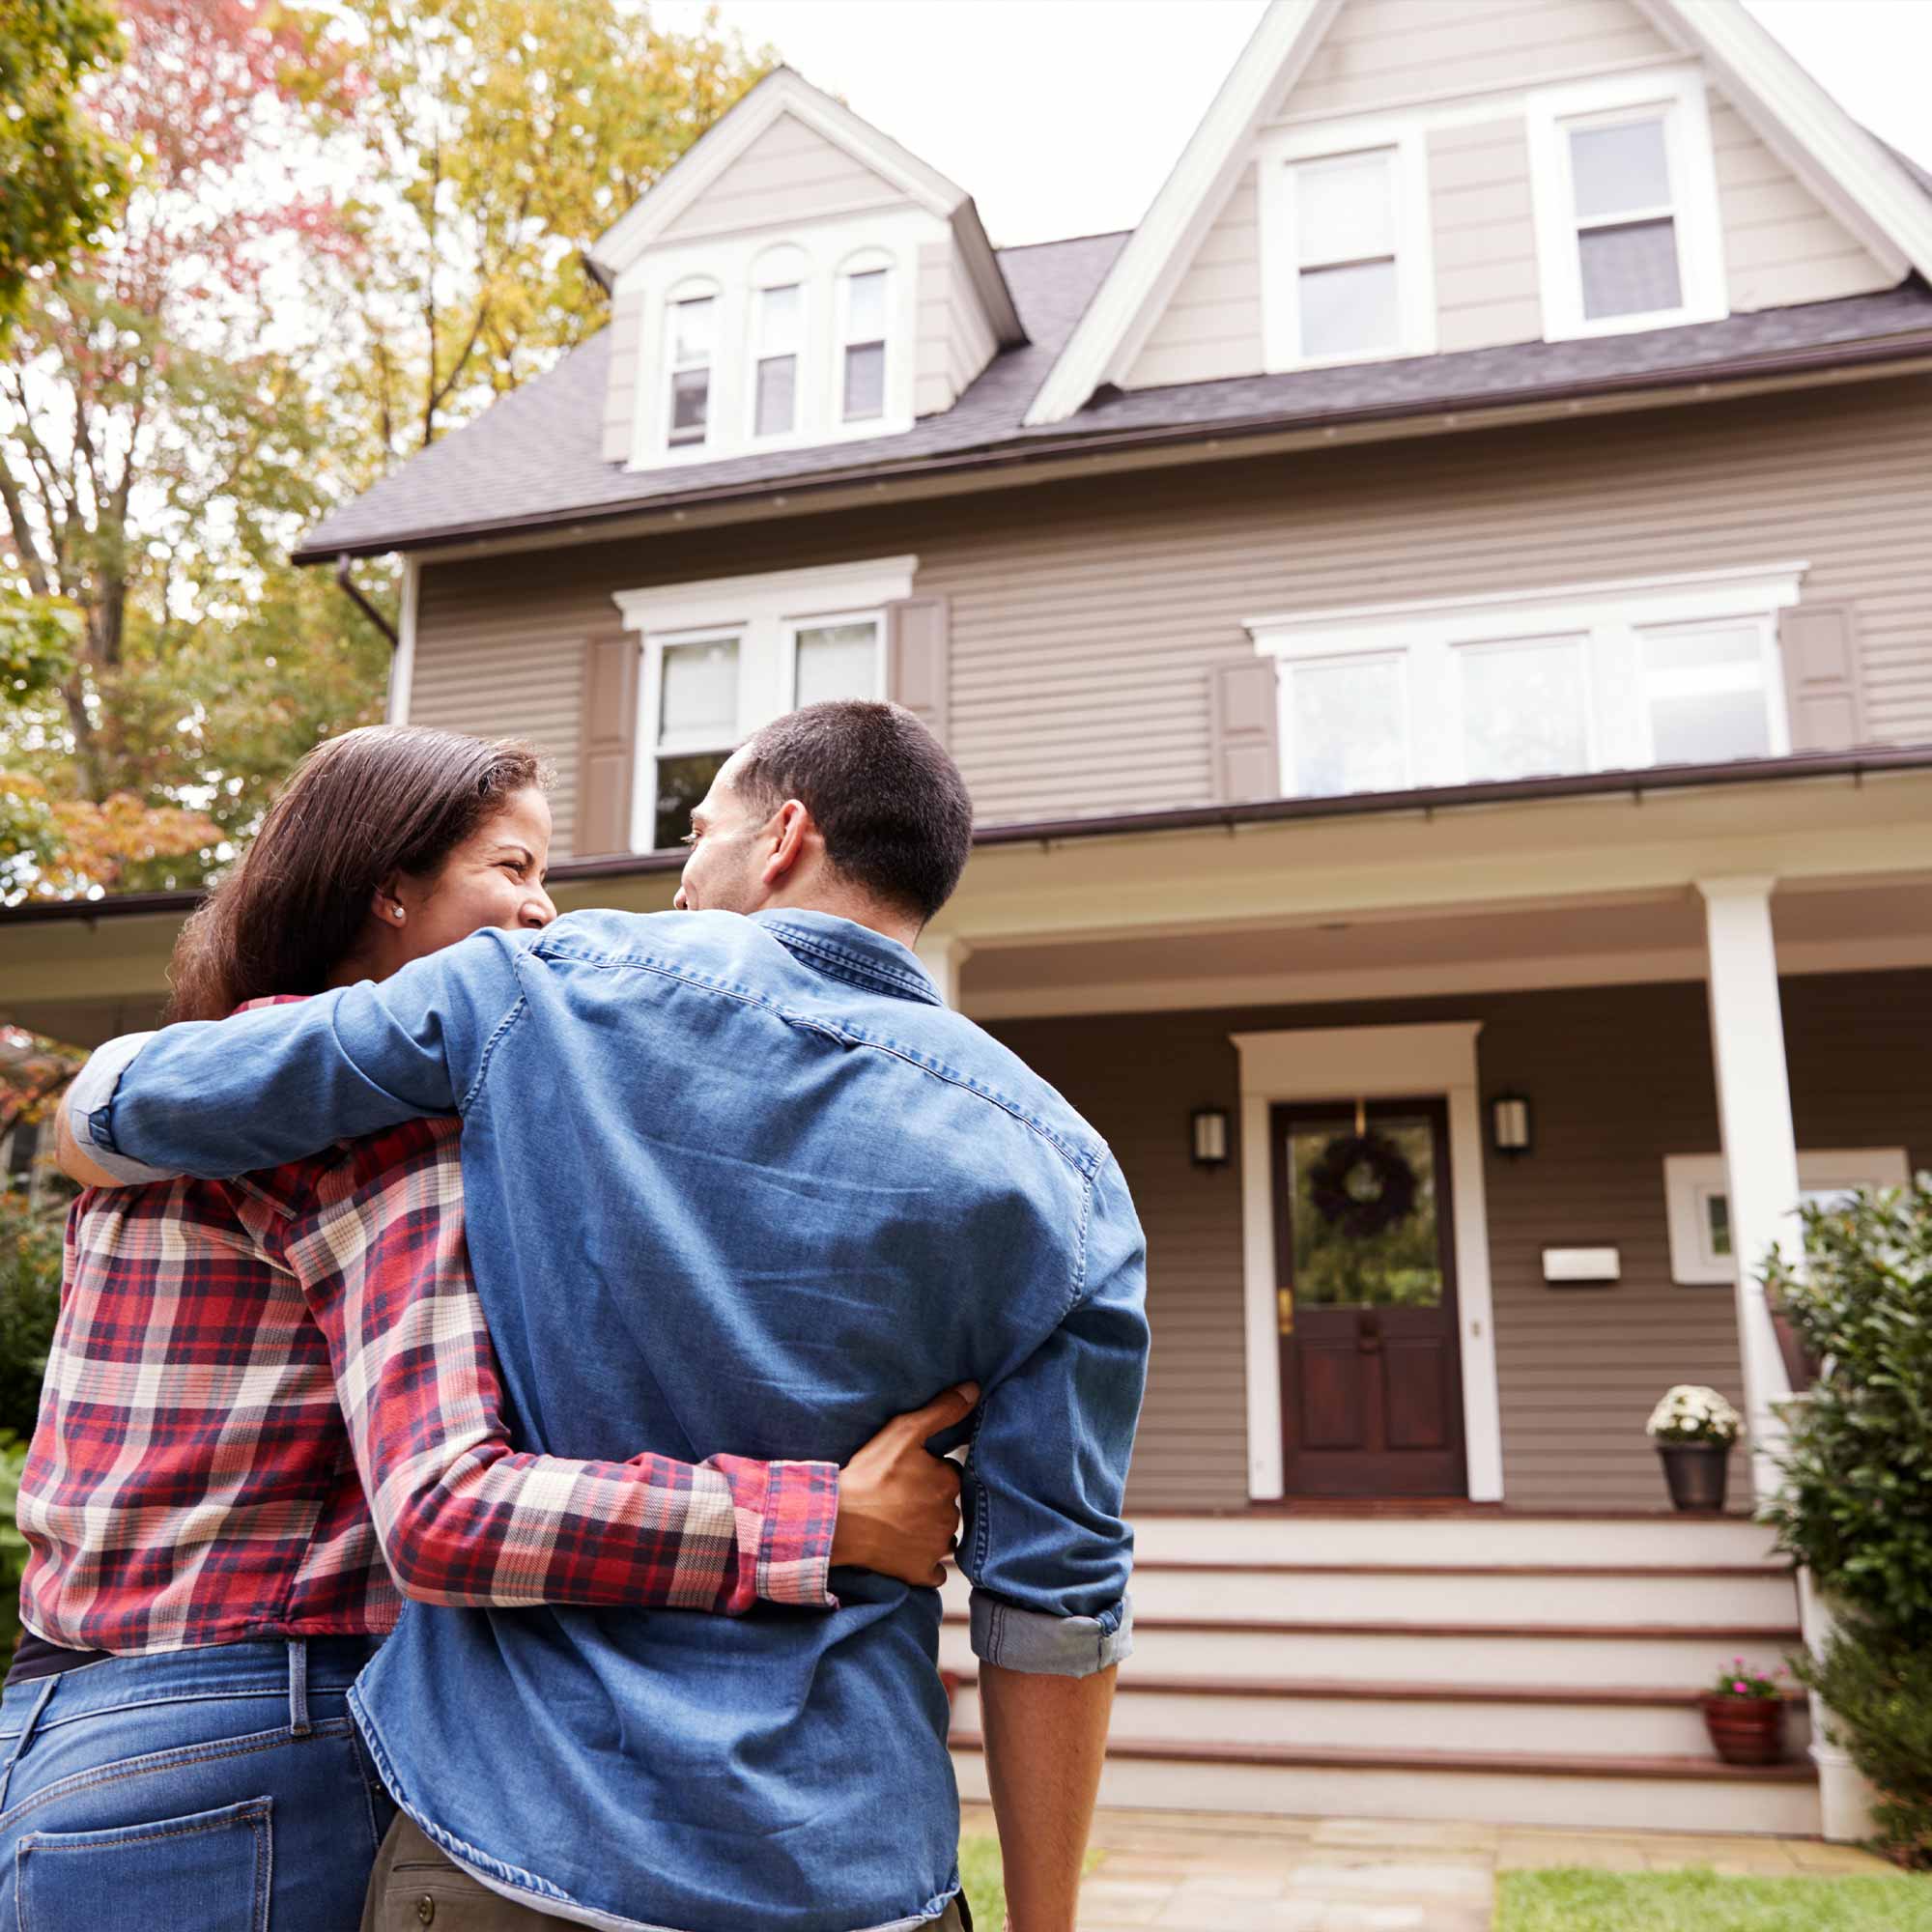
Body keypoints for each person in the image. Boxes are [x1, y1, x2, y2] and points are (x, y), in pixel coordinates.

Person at [63, 700, 1149, 1932]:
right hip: (846, 1860)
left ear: (781, 835)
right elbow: (1054, 1596)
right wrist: (1043, 1917)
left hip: (517, 1839)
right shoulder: (1068, 1172)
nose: (677, 884)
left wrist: (87, 1110)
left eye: (697, 833)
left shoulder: (535, 991)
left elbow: (132, 1106)